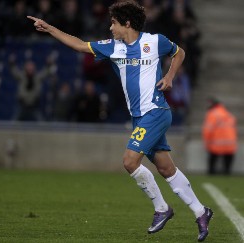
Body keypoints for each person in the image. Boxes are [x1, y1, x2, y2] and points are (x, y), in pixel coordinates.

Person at [27, 1, 213, 241]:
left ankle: (162, 209)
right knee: (166, 169)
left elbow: (180, 52)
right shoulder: (113, 47)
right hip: (140, 118)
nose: (110, 27)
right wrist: (50, 28)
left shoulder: (155, 41)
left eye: (114, 22)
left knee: (129, 161)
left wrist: (169, 76)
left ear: (127, 23)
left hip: (155, 112)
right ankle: (201, 211)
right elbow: (81, 45)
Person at [202, 97, 237, 175]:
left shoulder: (212, 114)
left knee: (212, 161)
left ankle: (211, 173)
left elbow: (208, 130)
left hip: (216, 143)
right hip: (230, 143)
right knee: (227, 165)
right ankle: (227, 174)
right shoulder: (228, 114)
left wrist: (207, 143)